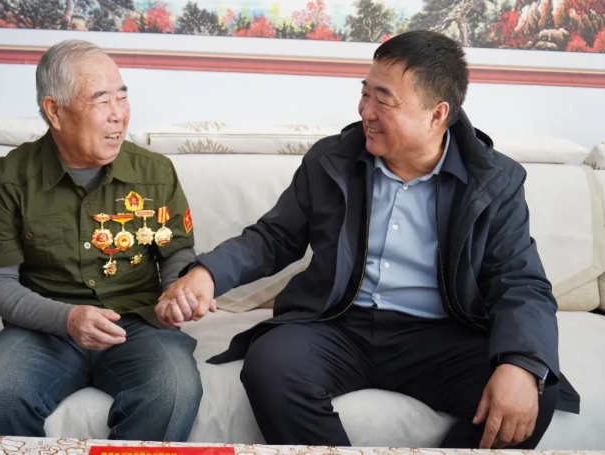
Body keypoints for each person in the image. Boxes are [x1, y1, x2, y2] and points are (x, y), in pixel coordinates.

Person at [155, 31, 580, 449]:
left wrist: (520, 362)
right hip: (339, 325)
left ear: (436, 114)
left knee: (533, 394)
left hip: (443, 335)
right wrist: (207, 274)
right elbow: (274, 237)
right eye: (364, 93)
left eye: (384, 100)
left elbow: (519, 282)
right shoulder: (332, 159)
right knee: (271, 366)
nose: (365, 111)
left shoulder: (495, 180)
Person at [0, 39, 202, 441]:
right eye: (101, 100)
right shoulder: (6, 178)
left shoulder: (156, 172)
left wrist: (180, 290)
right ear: (54, 111)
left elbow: (177, 251)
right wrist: (66, 319)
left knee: (173, 392)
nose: (118, 114)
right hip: (43, 327)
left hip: (138, 324)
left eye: (122, 97)